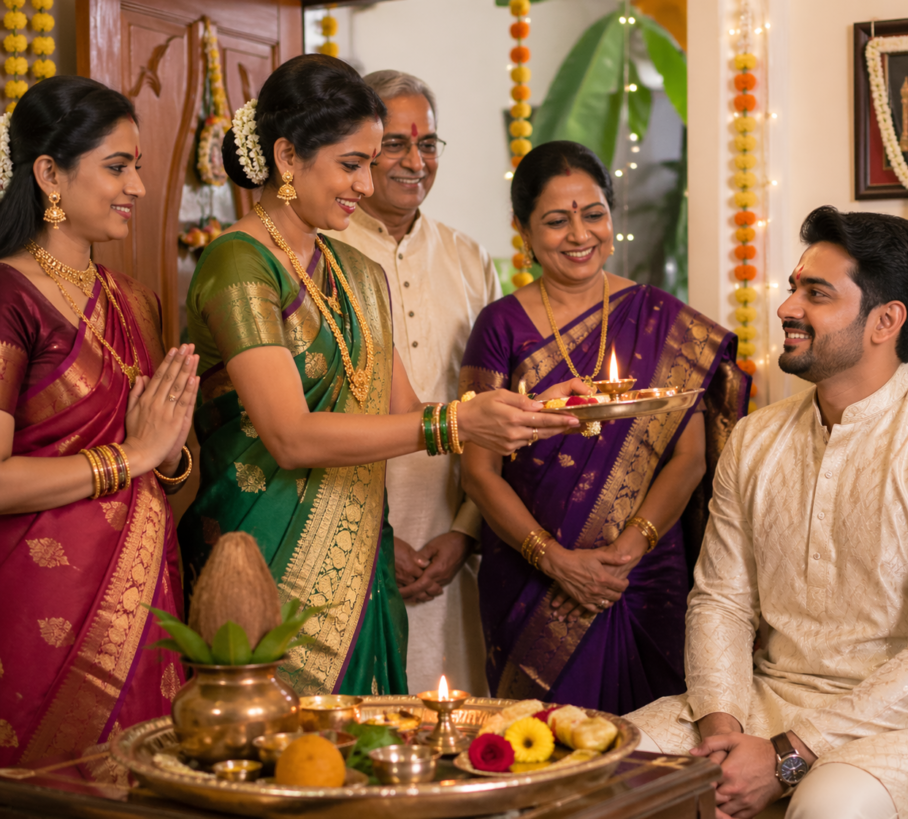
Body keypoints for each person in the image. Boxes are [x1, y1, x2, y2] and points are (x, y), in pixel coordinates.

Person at [177, 55, 580, 699]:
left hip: (360, 557)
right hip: (265, 558)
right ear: (287, 157)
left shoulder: (356, 274)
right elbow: (290, 437)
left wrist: (521, 411)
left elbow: (411, 413)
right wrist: (458, 420)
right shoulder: (238, 264)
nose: (365, 185)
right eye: (352, 163)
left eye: (368, 163)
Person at [626, 206, 908, 819]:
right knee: (613, 774)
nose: (787, 307)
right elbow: (721, 602)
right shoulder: (756, 439)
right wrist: (721, 732)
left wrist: (787, 754)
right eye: (793, 287)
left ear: (885, 321)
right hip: (766, 697)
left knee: (828, 808)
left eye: (816, 293)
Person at [460, 141, 748, 715]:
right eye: (555, 220)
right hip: (532, 576)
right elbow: (477, 470)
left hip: (643, 575)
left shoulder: (663, 320)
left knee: (660, 739)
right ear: (522, 228)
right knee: (547, 744)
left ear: (612, 216)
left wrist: (627, 550)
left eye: (593, 213)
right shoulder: (499, 326)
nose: (579, 234)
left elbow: (688, 457)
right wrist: (555, 561)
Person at [0, 76, 199, 769]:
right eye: (117, 165)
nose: (138, 187)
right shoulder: (9, 297)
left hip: (149, 593)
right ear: (50, 172)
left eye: (138, 167)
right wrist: (132, 455)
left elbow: (173, 467)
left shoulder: (134, 301)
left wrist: (168, 453)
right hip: (42, 601)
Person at [320, 70, 501, 697]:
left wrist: (467, 529)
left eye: (428, 145)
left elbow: (490, 405)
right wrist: (376, 539)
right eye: (394, 144)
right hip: (345, 533)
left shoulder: (469, 259)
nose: (414, 161)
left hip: (452, 542)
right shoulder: (319, 253)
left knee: (457, 725)